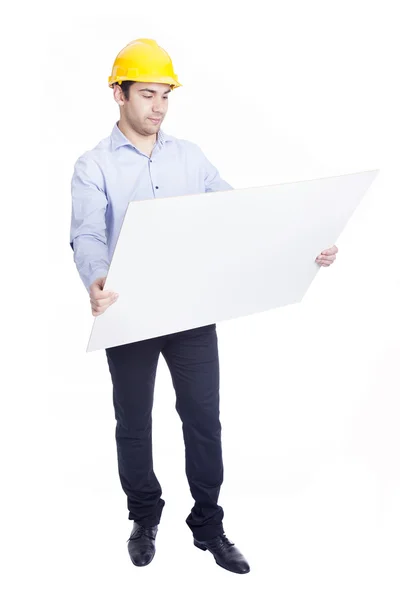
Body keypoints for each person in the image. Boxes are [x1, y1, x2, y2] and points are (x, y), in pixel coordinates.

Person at [70, 38, 339, 574]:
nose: (158, 107)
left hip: (190, 310)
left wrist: (303, 242)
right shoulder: (92, 164)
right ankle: (144, 515)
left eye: (165, 95)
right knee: (133, 422)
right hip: (127, 313)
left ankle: (208, 525)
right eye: (147, 94)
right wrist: (97, 281)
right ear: (118, 94)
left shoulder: (190, 157)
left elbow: (240, 213)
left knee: (202, 419)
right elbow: (86, 234)